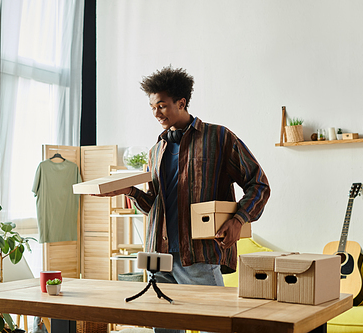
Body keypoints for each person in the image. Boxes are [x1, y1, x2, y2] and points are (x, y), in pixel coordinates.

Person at [93, 65, 270, 332]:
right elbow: (155, 205)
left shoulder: (218, 138)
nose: (156, 113)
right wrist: (129, 192)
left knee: (215, 326)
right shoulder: (156, 150)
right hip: (158, 256)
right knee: (163, 328)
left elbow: (258, 183)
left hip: (197, 256)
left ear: (181, 102)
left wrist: (239, 219)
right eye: (152, 107)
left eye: (162, 105)